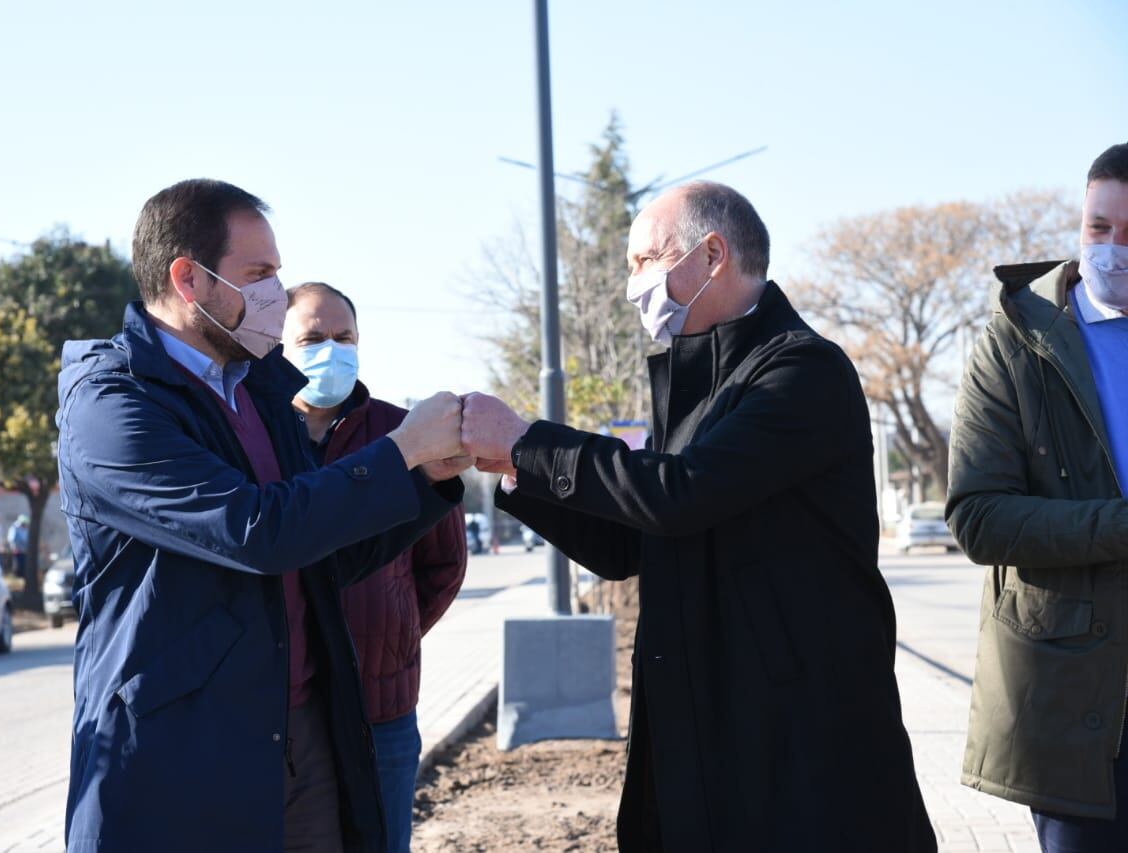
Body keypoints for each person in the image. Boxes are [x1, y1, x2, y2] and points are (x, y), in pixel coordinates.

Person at [460, 182, 935, 851]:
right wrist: (517, 471)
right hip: (707, 729)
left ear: (713, 254)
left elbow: (680, 493)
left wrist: (528, 439)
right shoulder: (698, 385)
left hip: (799, 743)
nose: (633, 285)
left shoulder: (802, 370)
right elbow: (633, 540)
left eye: (646, 259)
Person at [57, 179, 470, 853]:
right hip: (183, 751)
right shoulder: (112, 403)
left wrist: (424, 479)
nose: (278, 293)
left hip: (300, 735)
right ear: (188, 278)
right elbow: (256, 529)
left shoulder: (262, 390)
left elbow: (321, 552)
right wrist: (402, 449)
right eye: (261, 274)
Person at [947, 142, 1128, 851]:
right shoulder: (1015, 344)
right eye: (1100, 227)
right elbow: (977, 515)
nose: (1113, 248)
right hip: (1065, 699)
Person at [283, 282, 468, 853]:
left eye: (344, 338)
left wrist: (397, 634)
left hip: (380, 707)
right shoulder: (258, 439)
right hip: (286, 714)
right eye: (312, 338)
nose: (330, 351)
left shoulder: (403, 433)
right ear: (277, 346)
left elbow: (443, 565)